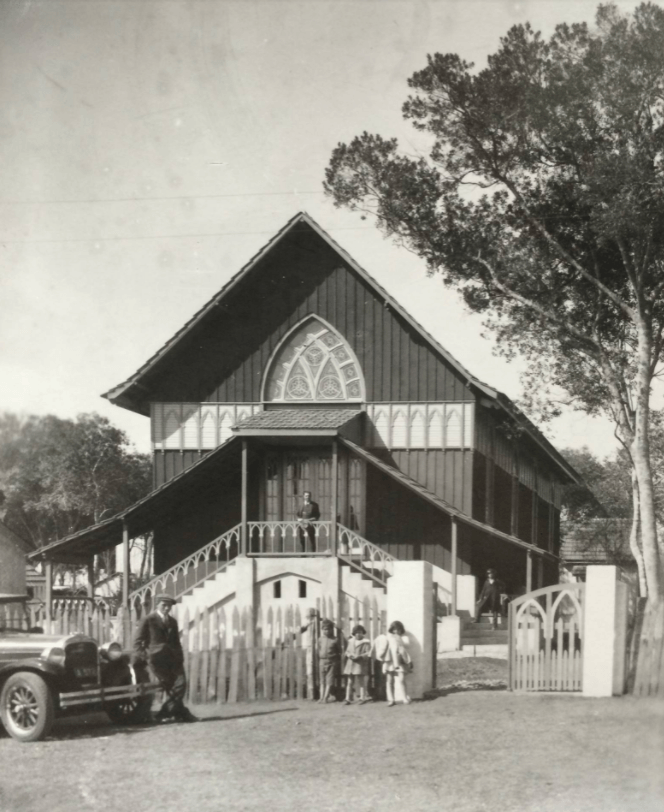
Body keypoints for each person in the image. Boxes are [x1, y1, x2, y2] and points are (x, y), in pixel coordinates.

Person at [133, 594, 197, 723]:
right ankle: (182, 713)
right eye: (164, 605)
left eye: (169, 606)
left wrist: (180, 656)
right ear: (157, 605)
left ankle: (163, 714)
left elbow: (176, 642)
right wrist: (146, 657)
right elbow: (137, 642)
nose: (167, 608)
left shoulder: (172, 621)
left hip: (174, 659)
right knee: (170, 687)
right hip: (157, 661)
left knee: (181, 685)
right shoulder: (148, 619)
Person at [376, 620, 412, 707]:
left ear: (401, 630)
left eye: (398, 629)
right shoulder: (388, 637)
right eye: (394, 629)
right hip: (390, 660)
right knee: (389, 680)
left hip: (399, 660)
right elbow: (382, 647)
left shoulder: (402, 638)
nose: (396, 631)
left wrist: (408, 660)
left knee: (401, 679)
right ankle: (391, 699)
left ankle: (404, 698)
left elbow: (403, 650)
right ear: (391, 630)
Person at [343, 624, 371, 704]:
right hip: (351, 663)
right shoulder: (351, 641)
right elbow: (347, 651)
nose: (358, 634)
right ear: (354, 634)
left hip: (359, 664)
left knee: (361, 681)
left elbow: (368, 653)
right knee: (349, 681)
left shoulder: (366, 642)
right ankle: (347, 698)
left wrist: (360, 656)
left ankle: (362, 698)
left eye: (360, 632)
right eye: (356, 633)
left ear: (363, 633)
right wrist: (349, 655)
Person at [318, 618, 341, 703]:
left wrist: (335, 660)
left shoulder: (335, 639)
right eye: (325, 629)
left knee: (329, 680)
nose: (327, 631)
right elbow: (319, 649)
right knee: (322, 680)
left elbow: (338, 651)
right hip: (322, 661)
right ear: (322, 630)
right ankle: (321, 697)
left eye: (328, 629)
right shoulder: (320, 639)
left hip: (332, 662)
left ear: (332, 629)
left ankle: (325, 698)